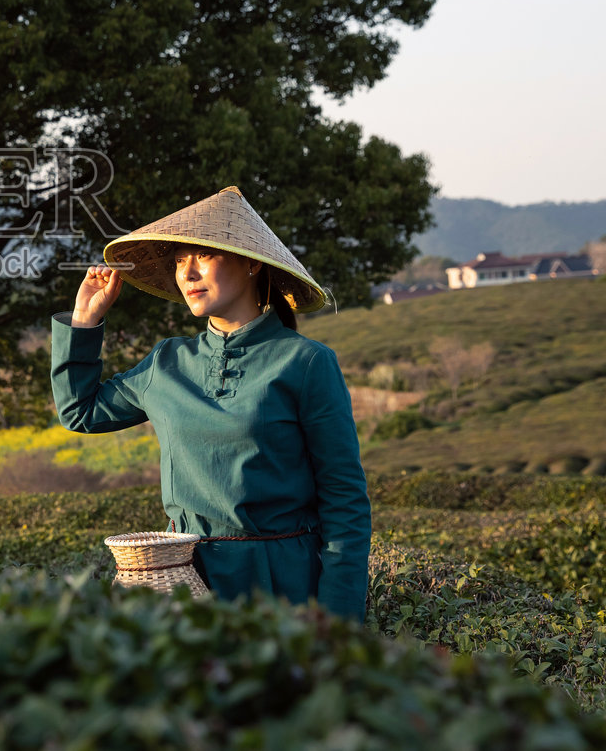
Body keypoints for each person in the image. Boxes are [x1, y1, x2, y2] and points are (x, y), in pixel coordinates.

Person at [50, 186, 371, 622]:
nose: (188, 273)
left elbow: (345, 500)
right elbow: (80, 411)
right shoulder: (166, 363)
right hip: (180, 584)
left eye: (202, 255)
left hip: (283, 588)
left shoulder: (306, 362)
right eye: (180, 260)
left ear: (252, 261)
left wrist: (340, 619)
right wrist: (85, 322)